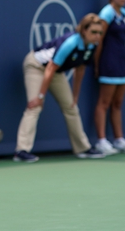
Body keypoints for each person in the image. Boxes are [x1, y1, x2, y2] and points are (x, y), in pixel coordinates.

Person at [14, 13, 106, 162]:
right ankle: (21, 151)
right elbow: (50, 68)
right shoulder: (70, 43)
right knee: (34, 106)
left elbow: (80, 69)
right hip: (36, 66)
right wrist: (40, 97)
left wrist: (75, 96)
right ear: (84, 31)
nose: (97, 36)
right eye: (94, 32)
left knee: (71, 107)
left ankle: (82, 148)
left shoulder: (92, 46)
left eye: (100, 33)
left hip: (56, 72)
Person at [94, 0, 125, 154]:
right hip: (109, 62)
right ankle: (101, 140)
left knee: (118, 103)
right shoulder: (106, 13)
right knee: (104, 102)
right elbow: (99, 39)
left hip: (122, 63)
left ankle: (119, 138)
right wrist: (97, 63)